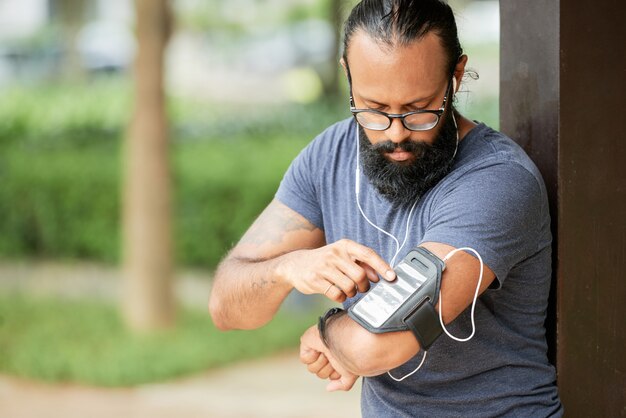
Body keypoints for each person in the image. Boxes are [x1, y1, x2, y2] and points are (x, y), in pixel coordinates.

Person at [209, 0, 563, 416]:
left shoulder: (497, 182)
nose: (395, 134)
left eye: (418, 109)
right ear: (348, 74)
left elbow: (376, 343)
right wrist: (288, 267)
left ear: (456, 76)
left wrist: (327, 331)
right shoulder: (329, 156)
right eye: (374, 109)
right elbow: (226, 307)